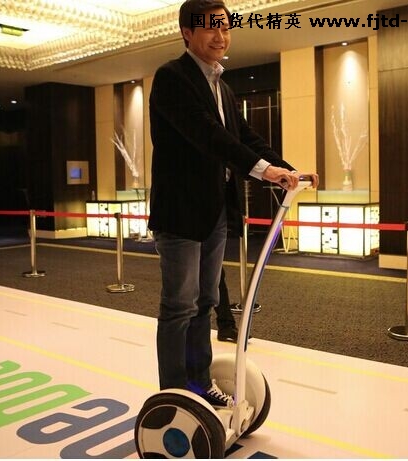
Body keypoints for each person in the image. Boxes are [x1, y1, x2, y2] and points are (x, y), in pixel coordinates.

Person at [148, 0, 317, 408]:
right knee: (180, 306)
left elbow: (243, 136)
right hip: (181, 213)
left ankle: (198, 383)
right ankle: (174, 394)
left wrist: (287, 169)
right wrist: (264, 171)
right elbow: (209, 136)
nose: (220, 36)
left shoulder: (222, 86)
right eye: (210, 27)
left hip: (216, 212)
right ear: (187, 32)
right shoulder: (172, 77)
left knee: (205, 302)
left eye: (225, 27)